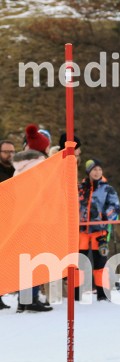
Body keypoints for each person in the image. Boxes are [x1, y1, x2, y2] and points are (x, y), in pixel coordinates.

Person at [12, 124, 53, 312]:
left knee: (25, 259)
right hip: (36, 218)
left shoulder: (20, 167)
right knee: (34, 258)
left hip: (21, 218)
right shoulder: (40, 165)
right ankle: (31, 298)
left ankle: (24, 298)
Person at [78, 160, 120, 301]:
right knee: (79, 262)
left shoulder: (108, 189)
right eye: (94, 170)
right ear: (88, 171)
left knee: (100, 263)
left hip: (99, 231)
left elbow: (115, 207)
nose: (97, 172)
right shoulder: (80, 188)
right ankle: (76, 293)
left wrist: (104, 216)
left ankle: (102, 293)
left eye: (99, 169)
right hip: (82, 230)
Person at [0, 139, 15, 309]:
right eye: (6, 151)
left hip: (11, 219)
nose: (9, 154)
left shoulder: (16, 170)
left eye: (12, 151)